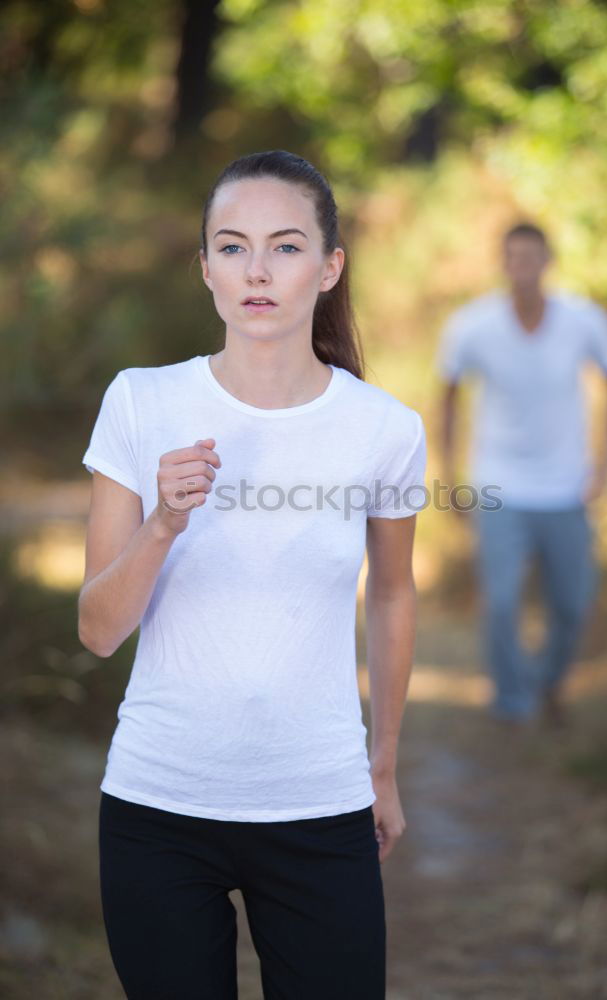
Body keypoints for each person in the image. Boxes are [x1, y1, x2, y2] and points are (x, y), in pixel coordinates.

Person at [78, 149, 427, 999]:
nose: (257, 271)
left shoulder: (382, 427)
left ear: (329, 265)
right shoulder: (141, 401)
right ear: (205, 269)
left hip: (319, 803)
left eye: (285, 245)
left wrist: (381, 766)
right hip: (159, 805)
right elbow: (96, 630)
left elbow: (390, 593)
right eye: (231, 247)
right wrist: (163, 523)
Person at [437, 222, 607, 727]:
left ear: (548, 262)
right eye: (513, 258)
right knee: (501, 603)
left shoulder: (584, 321)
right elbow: (449, 397)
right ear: (503, 264)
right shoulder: (472, 326)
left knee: (571, 604)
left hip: (568, 487)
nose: (522, 267)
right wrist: (450, 474)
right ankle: (513, 706)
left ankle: (548, 686)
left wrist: (606, 467)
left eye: (532, 257)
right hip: (498, 484)